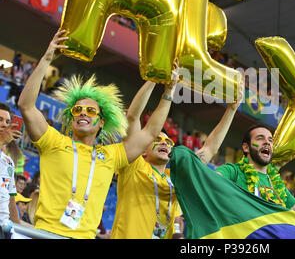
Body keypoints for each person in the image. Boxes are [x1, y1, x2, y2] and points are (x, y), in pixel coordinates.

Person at [17, 29, 179, 239]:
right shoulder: (53, 142)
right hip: (47, 234)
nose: (83, 113)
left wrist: (169, 91)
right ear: (71, 117)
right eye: (77, 110)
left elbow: (150, 133)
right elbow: (26, 106)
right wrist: (47, 58)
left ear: (101, 122)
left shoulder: (110, 156)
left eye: (91, 111)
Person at [111, 78, 243, 239]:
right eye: (157, 140)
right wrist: (155, 78)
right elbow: (132, 117)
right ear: (142, 150)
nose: (164, 144)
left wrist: (231, 110)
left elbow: (209, 149)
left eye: (168, 142)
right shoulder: (133, 164)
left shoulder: (176, 178)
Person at [0, 102, 22, 238]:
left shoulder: (8, 162)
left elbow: (11, 201)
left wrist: (17, 232)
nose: (4, 124)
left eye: (8, 121)